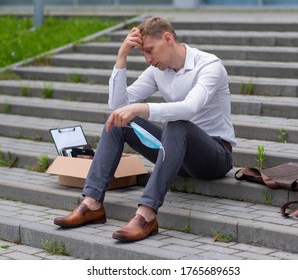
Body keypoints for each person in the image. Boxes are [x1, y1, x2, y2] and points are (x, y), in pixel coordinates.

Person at [53, 16, 236, 242]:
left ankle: (147, 214)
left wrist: (141, 108)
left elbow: (189, 109)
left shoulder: (209, 66)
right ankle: (91, 203)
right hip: (176, 153)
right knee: (119, 120)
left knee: (178, 124)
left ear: (167, 38)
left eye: (150, 50)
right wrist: (122, 56)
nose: (148, 59)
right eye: (143, 54)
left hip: (214, 156)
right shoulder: (157, 70)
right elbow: (119, 105)